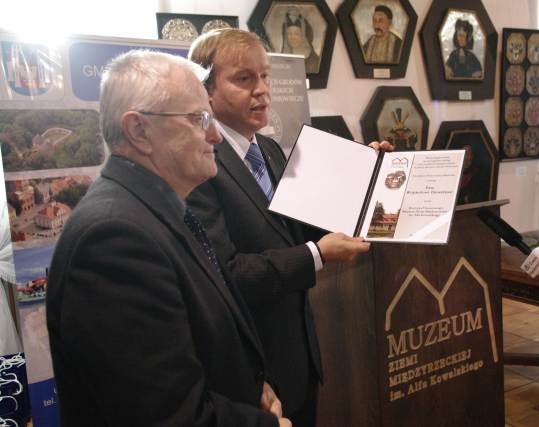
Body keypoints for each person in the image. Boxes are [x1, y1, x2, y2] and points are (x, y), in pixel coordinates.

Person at [46, 50, 290, 427]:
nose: (215, 136)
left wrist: (249, 386)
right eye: (199, 119)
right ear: (139, 131)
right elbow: (165, 414)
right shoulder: (114, 239)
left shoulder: (156, 208)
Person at [188, 29, 385, 426]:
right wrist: (317, 256)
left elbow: (298, 229)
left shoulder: (270, 150)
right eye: (244, 78)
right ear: (206, 90)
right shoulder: (199, 163)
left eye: (265, 76)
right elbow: (226, 275)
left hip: (298, 360)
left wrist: (362, 174)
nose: (262, 90)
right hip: (250, 375)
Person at [281, 7, 321, 74]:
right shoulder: (281, 59)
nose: (292, 37)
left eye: (296, 34)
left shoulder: (314, 61)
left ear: (304, 36)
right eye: (289, 34)